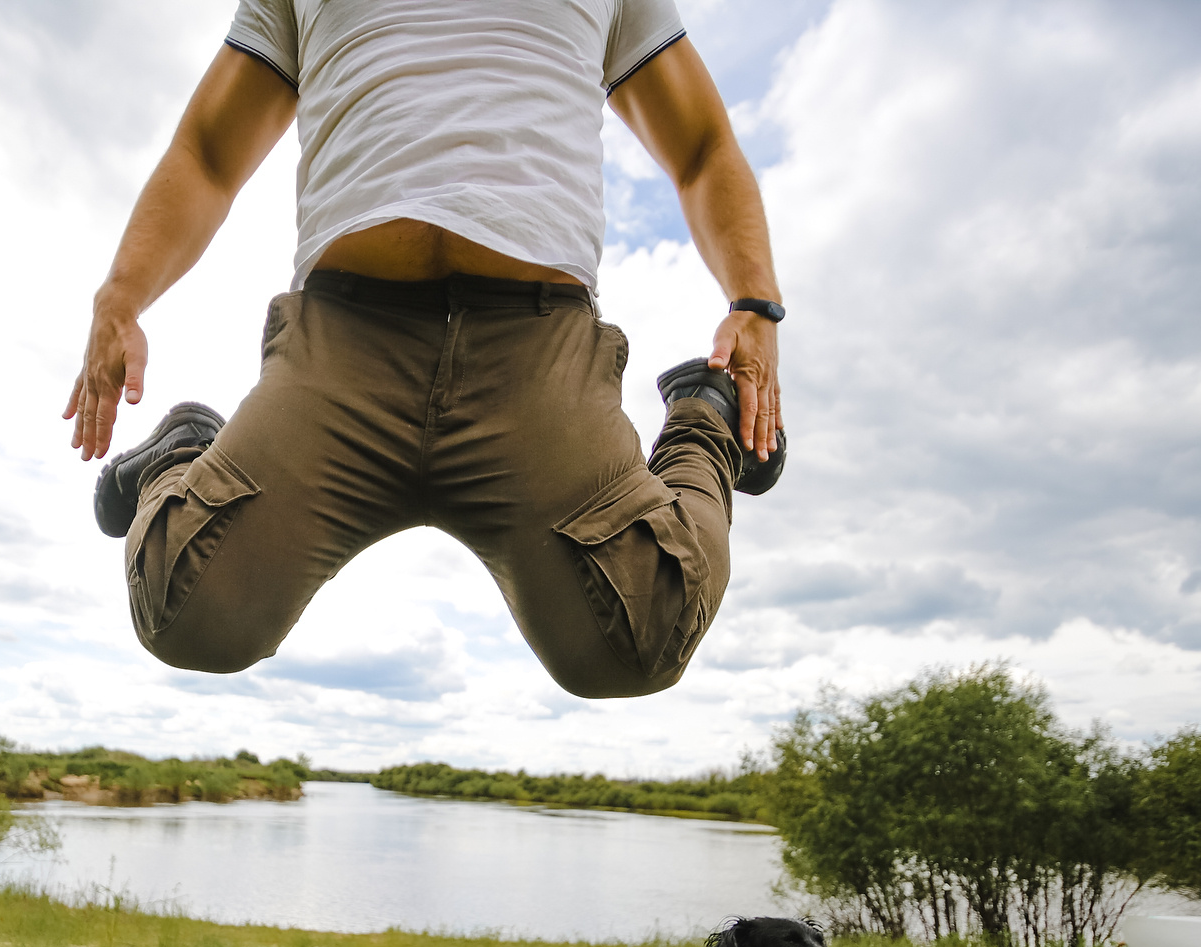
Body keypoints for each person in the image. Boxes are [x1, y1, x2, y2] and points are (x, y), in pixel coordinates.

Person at [64, 0, 786, 699]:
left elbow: (699, 147)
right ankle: (181, 454)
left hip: (533, 354)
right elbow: (209, 155)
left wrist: (754, 303)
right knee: (185, 612)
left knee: (641, 641)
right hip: (345, 348)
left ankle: (703, 415)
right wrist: (121, 295)